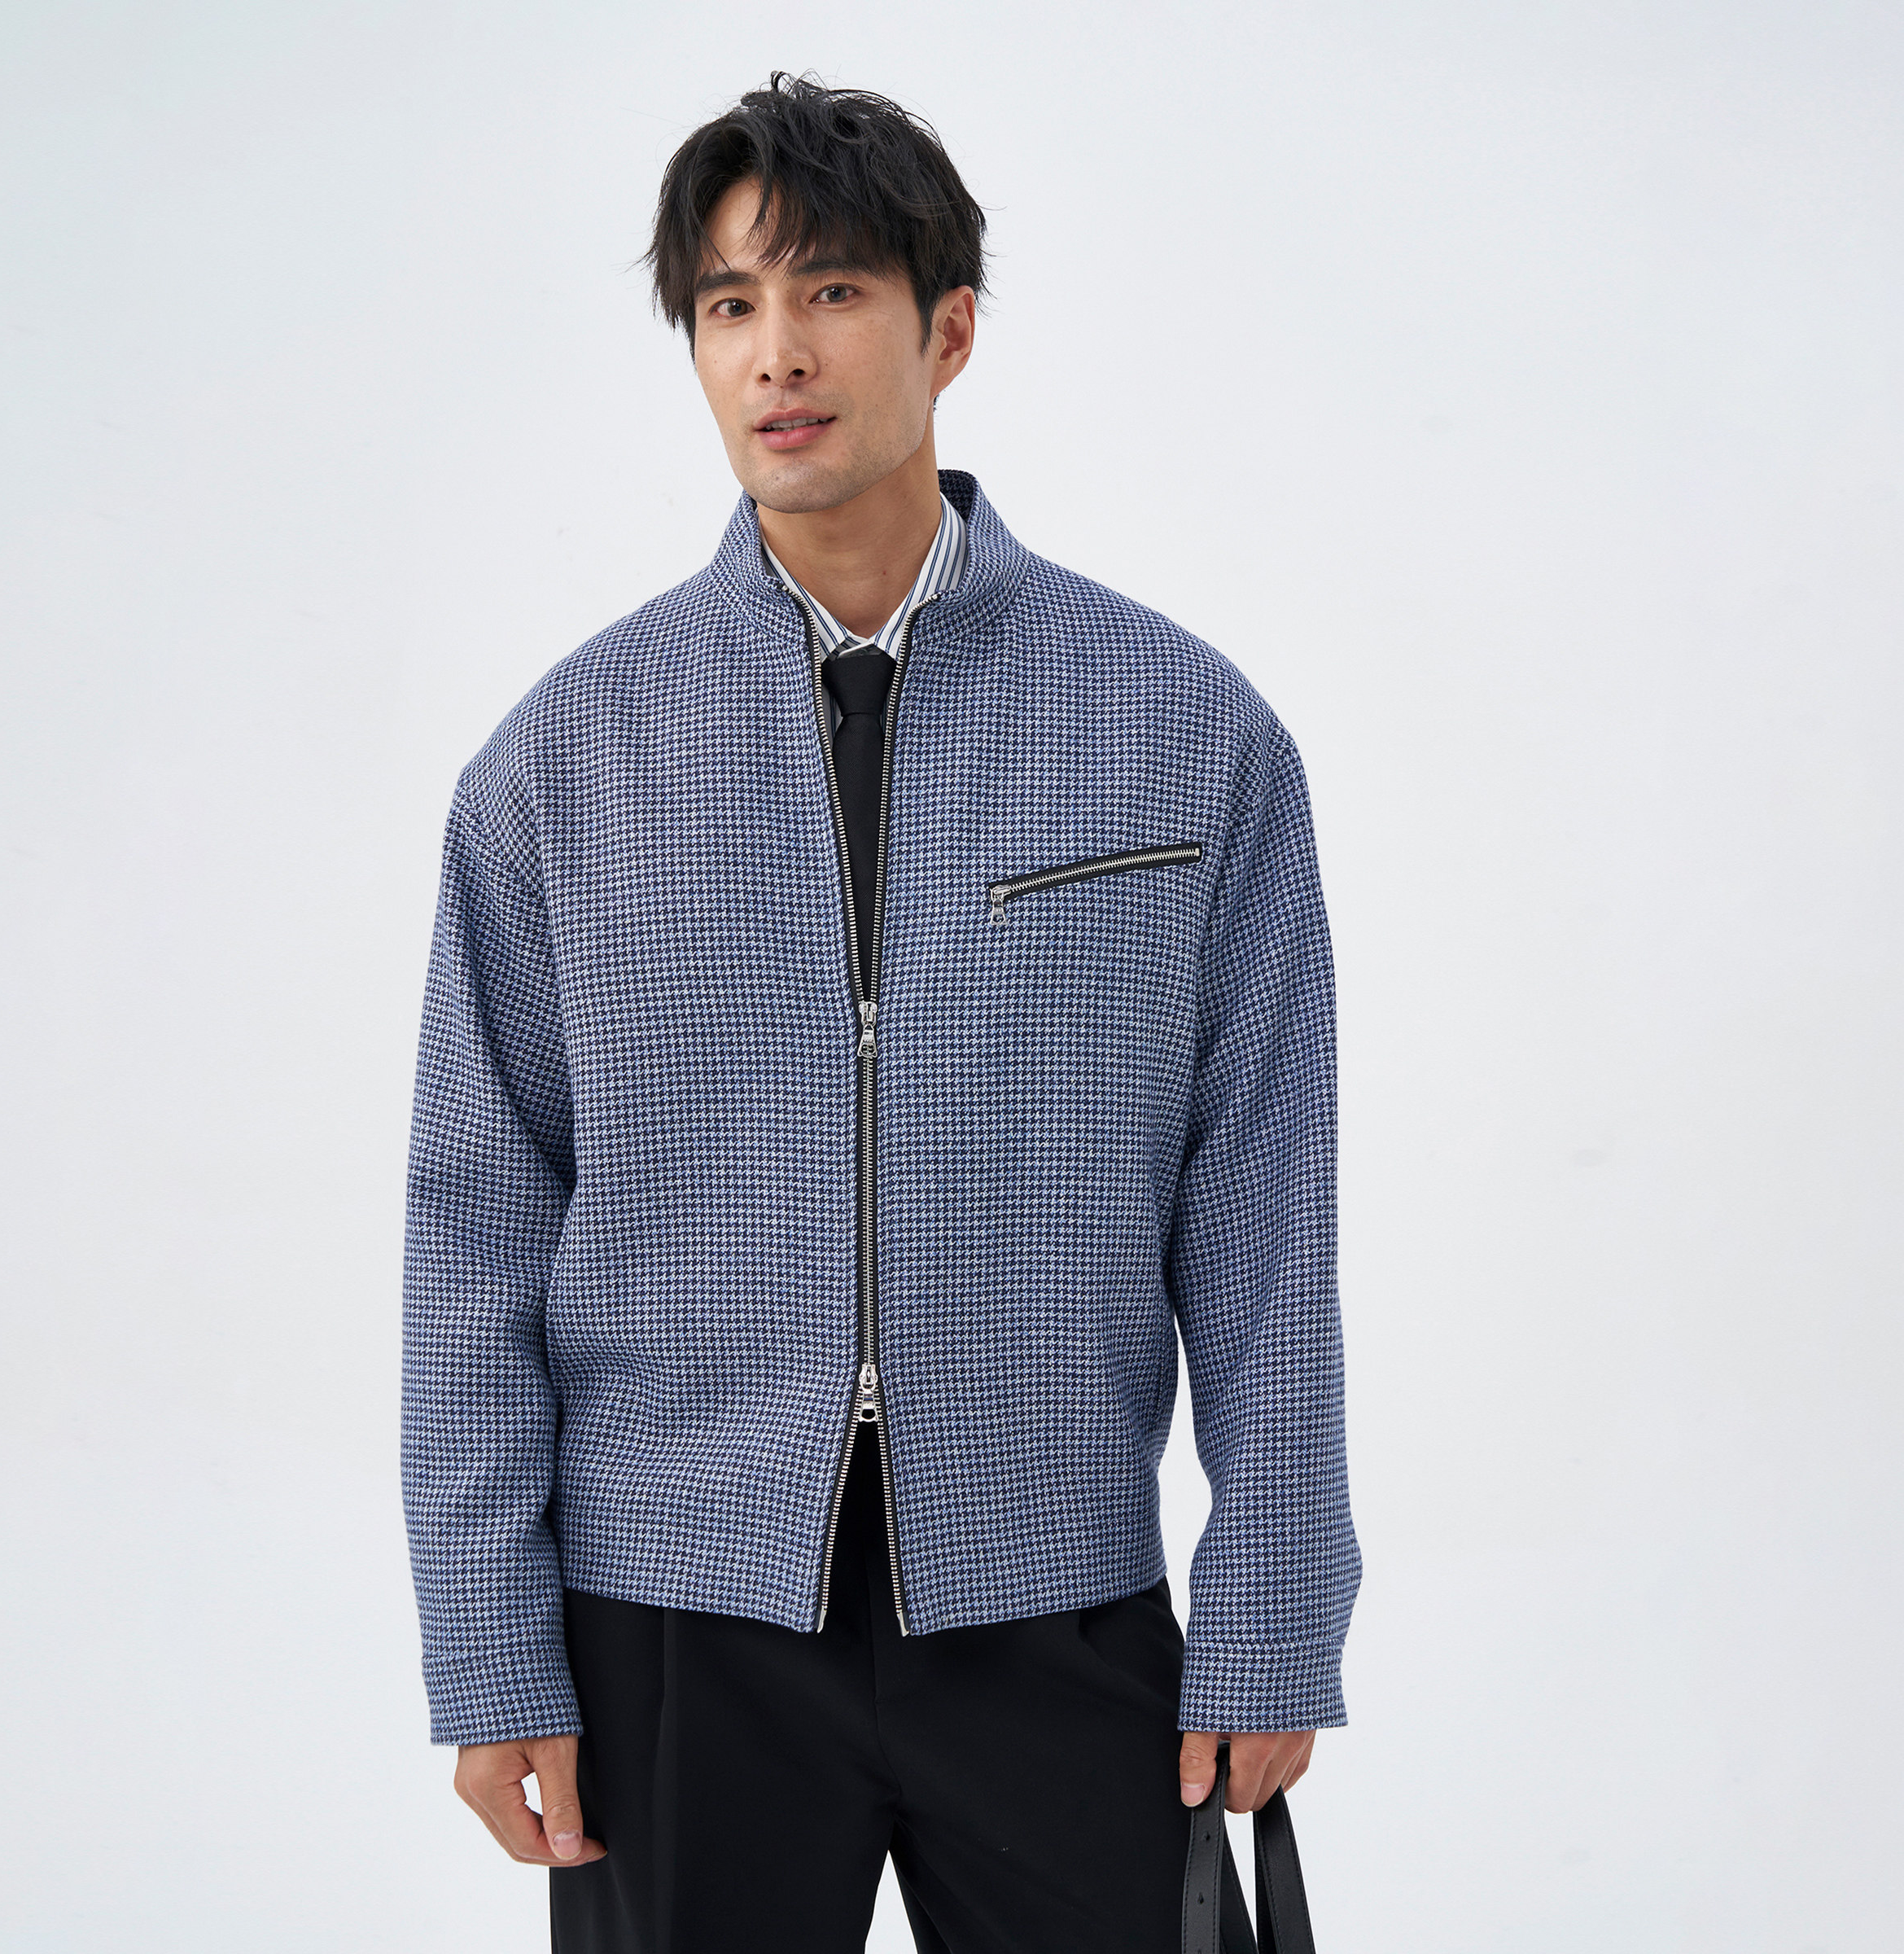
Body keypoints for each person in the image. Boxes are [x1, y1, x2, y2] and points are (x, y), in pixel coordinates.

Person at [401, 71, 1361, 1953]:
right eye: (730, 304)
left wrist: (1272, 1603)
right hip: (673, 1632)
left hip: (1055, 1601)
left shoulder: (1184, 732)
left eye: (833, 291)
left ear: (950, 330)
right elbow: (474, 1237)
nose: (778, 352)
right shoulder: (562, 766)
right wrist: (490, 1644)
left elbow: (1265, 1209)